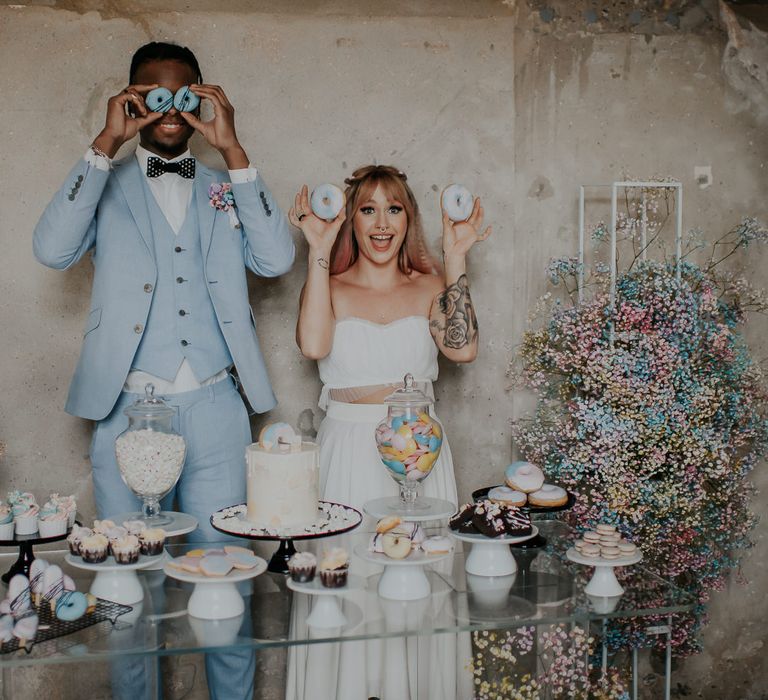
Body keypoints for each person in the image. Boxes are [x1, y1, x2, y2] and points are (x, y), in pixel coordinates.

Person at [33, 41, 294, 700]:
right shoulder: (106, 181)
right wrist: (103, 144)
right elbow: (51, 247)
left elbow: (275, 261)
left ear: (202, 99)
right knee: (131, 592)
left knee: (226, 581)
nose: (167, 107)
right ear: (133, 100)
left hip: (216, 410)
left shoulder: (224, 184)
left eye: (181, 93)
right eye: (150, 94)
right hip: (125, 411)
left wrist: (234, 152)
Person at [286, 165, 489, 700]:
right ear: (350, 217)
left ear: (409, 218)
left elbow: (462, 349)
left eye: (393, 209)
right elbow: (312, 346)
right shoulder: (329, 284)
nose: (381, 223)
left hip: (419, 452)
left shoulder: (431, 285)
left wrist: (458, 256)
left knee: (419, 583)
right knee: (347, 579)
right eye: (368, 209)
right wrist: (317, 249)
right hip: (348, 451)